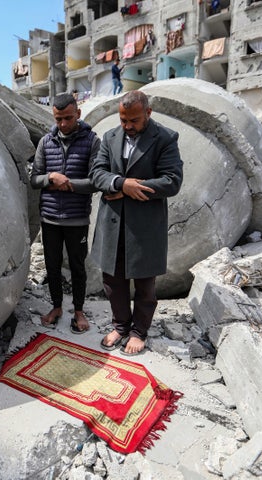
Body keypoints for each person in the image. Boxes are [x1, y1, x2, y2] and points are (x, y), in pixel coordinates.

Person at [89, 90, 183, 355]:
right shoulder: (110, 137)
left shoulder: (165, 138)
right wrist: (120, 183)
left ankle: (139, 331)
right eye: (123, 120)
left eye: (134, 120)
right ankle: (121, 325)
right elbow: (97, 173)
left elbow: (172, 181)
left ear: (148, 113)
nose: (128, 126)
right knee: (112, 280)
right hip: (112, 223)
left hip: (144, 226)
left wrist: (133, 188)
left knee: (144, 283)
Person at [30, 93, 101, 334]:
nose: (63, 124)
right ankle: (57, 306)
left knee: (78, 266)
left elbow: (95, 181)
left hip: (77, 218)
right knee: (52, 265)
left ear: (78, 114)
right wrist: (50, 177)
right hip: (49, 218)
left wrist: (67, 182)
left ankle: (79, 310)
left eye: (68, 118)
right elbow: (34, 179)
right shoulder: (45, 142)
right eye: (58, 119)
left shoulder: (92, 141)